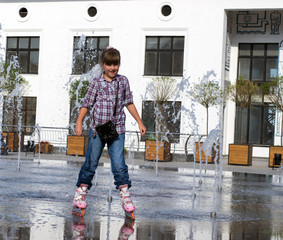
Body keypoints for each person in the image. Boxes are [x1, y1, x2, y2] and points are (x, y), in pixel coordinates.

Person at [72, 47, 146, 218]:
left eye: (116, 64)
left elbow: (129, 103)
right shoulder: (96, 82)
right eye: (109, 64)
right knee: (91, 162)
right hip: (97, 130)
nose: (113, 68)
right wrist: (79, 122)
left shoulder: (123, 81)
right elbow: (86, 104)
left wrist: (140, 122)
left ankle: (125, 197)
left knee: (119, 165)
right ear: (102, 65)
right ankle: (80, 194)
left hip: (117, 130)